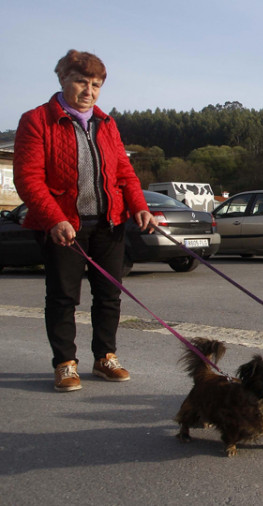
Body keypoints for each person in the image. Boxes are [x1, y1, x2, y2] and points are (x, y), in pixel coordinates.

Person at [13, 50, 158, 392]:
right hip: (63, 227)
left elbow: (124, 172)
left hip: (110, 224)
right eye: (81, 81)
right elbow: (28, 179)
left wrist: (139, 205)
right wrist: (53, 218)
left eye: (96, 84)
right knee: (63, 296)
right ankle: (65, 363)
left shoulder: (106, 124)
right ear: (62, 79)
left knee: (109, 295)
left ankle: (105, 357)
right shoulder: (36, 120)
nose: (88, 90)